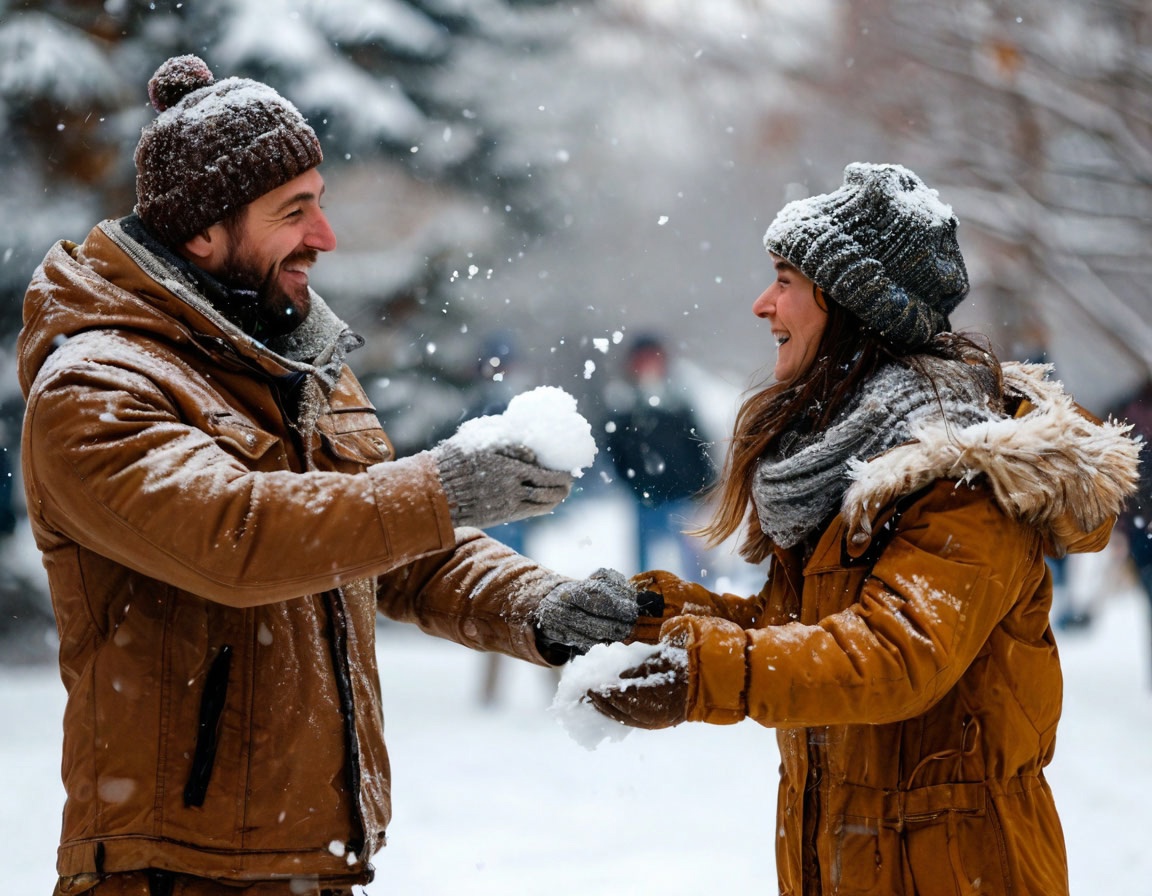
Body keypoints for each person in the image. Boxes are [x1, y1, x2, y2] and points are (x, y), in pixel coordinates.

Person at [18, 55, 652, 896]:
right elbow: (237, 536)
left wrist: (536, 606)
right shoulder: (98, 386)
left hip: (313, 862)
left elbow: (390, 542)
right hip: (169, 871)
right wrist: (443, 486)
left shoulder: (293, 364)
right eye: (295, 212)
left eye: (321, 204)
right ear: (204, 230)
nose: (325, 237)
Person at [578, 163, 1140, 894]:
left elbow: (893, 655)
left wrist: (702, 672)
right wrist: (647, 617)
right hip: (847, 858)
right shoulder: (846, 456)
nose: (761, 304)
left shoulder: (967, 472)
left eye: (784, 280)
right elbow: (795, 625)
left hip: (958, 868)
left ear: (852, 304)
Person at [603, 334, 715, 577]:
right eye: (642, 360)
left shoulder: (677, 402)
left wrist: (705, 484)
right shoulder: (623, 405)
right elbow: (615, 450)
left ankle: (698, 600)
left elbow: (700, 445)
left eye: (653, 359)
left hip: (682, 496)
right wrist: (633, 483)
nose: (648, 366)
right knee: (646, 565)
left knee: (692, 562)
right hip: (645, 497)